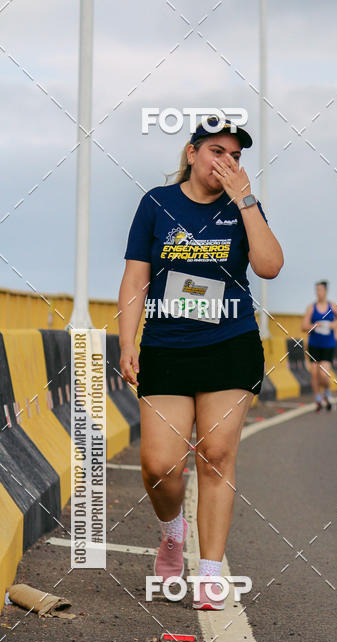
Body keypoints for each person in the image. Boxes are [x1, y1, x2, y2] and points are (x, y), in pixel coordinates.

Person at [118, 117, 283, 611]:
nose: (225, 162)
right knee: (158, 465)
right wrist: (128, 341)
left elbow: (270, 266)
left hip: (230, 344)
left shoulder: (243, 208)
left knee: (216, 454)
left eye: (234, 155)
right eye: (216, 151)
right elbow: (134, 279)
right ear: (191, 154)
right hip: (167, 345)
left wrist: (247, 201)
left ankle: (209, 574)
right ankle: (172, 532)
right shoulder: (156, 204)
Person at [301, 281, 337, 411]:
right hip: (314, 344)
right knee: (314, 372)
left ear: (325, 291)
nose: (318, 293)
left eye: (320, 290)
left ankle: (327, 392)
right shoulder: (311, 308)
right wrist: (314, 326)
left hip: (328, 345)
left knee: (323, 373)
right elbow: (303, 326)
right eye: (316, 290)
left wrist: (333, 324)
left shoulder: (332, 306)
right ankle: (318, 399)